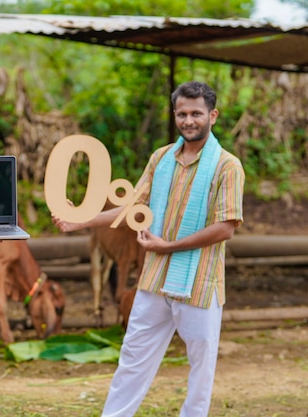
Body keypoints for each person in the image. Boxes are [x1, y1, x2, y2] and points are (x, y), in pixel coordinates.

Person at [52, 81, 244, 416]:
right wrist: (80, 221)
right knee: (132, 357)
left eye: (196, 113)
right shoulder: (161, 158)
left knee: (201, 366)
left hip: (199, 283)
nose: (189, 120)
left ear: (212, 115)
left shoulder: (227, 166)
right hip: (155, 279)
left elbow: (226, 227)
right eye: (182, 113)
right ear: (174, 116)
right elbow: (133, 207)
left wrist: (169, 246)